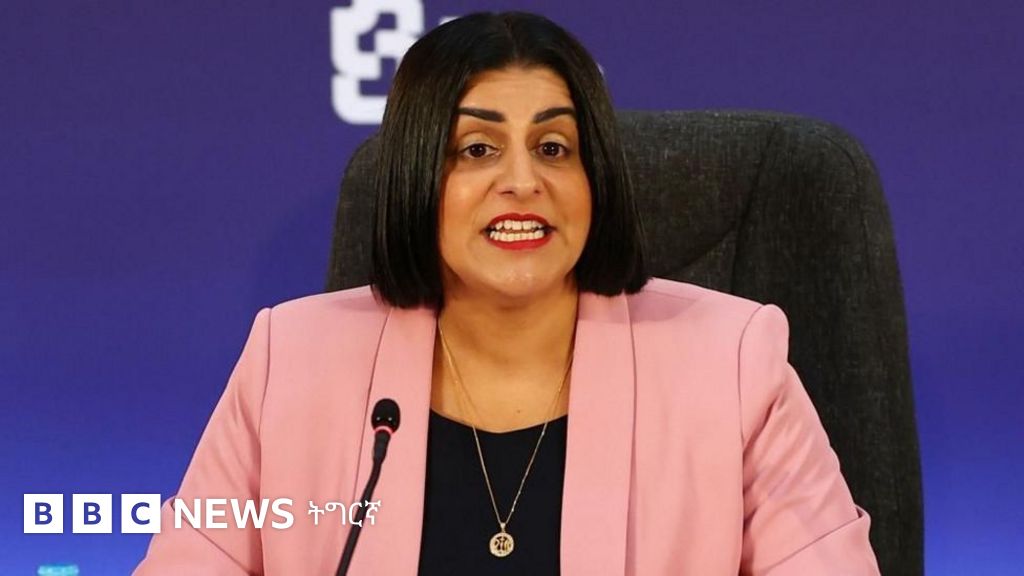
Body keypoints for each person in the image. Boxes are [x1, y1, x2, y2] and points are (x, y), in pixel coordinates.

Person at [134, 11, 880, 575]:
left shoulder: (731, 363)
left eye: (554, 148)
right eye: (477, 149)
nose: (523, 181)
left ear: (594, 179)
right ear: (418, 178)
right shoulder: (292, 360)